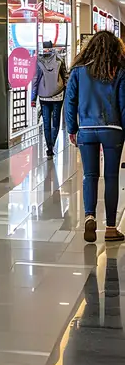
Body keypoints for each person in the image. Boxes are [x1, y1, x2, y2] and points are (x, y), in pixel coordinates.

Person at [64, 30, 125, 243]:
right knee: (111, 177)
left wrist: (72, 128)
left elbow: (69, 101)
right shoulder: (118, 71)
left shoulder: (79, 71)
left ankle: (89, 216)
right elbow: (124, 105)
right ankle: (110, 227)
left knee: (90, 176)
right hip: (113, 130)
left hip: (87, 130)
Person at [31, 40, 68, 157]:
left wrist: (33, 98)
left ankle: (49, 147)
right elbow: (65, 77)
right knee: (55, 122)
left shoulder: (38, 61)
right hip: (58, 95)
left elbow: (35, 81)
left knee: (46, 123)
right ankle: (52, 144)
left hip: (44, 97)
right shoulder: (60, 59)